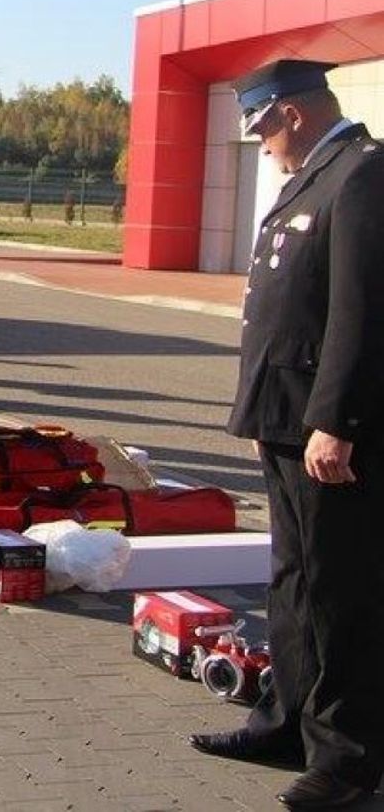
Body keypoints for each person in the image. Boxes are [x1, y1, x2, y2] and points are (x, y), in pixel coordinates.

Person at [190, 59, 384, 810]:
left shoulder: (361, 173)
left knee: (341, 591)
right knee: (294, 582)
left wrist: (335, 420)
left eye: (263, 127)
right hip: (286, 417)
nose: (261, 144)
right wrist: (265, 413)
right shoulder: (316, 175)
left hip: (328, 428)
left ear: (292, 113)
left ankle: (349, 758)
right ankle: (287, 723)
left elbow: (361, 311)